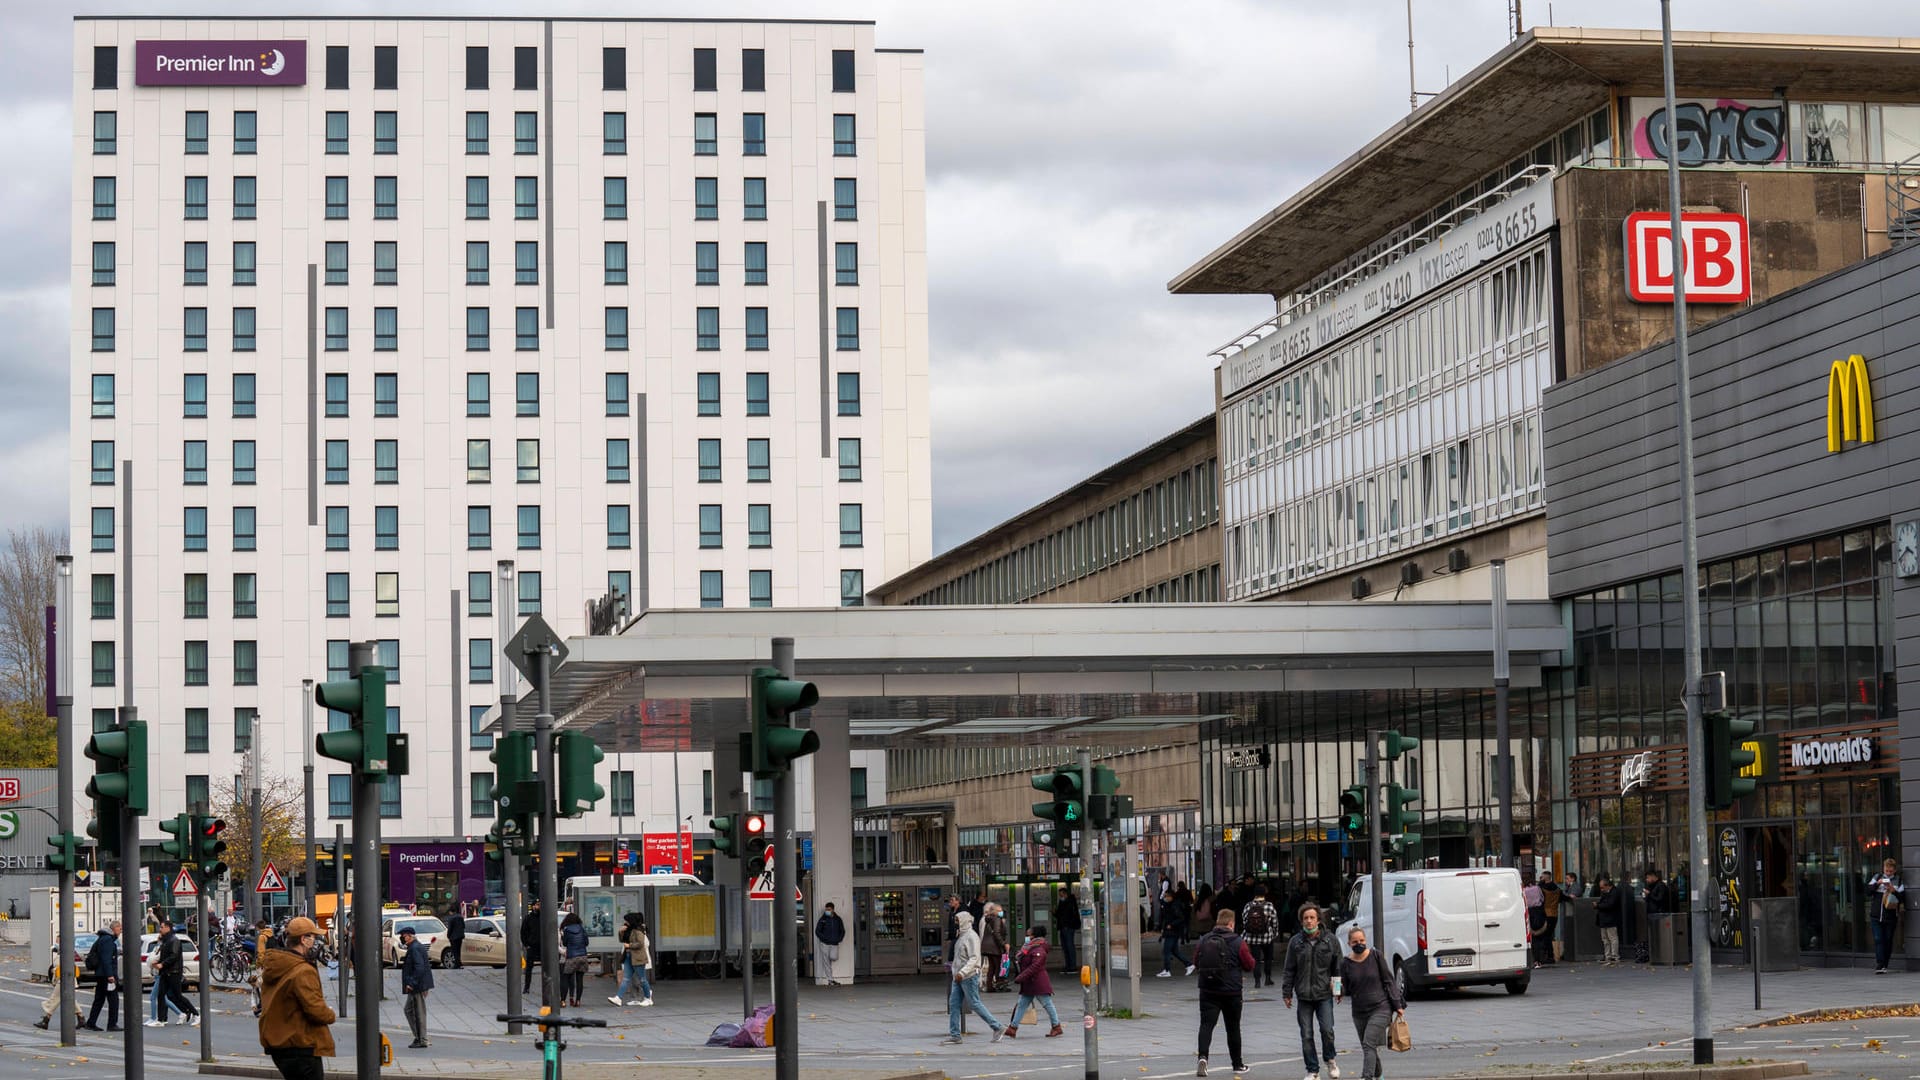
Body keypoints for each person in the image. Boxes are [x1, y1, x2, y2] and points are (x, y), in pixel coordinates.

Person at [259, 916, 336, 1080]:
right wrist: (330, 1014)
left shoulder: (279, 965)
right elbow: (315, 1009)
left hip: (280, 1044)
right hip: (301, 1045)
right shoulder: (302, 970)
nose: (315, 942)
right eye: (313, 937)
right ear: (303, 939)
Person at [1336, 925, 1405, 1080]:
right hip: (1359, 1012)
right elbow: (1344, 987)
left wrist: (1397, 1005)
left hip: (1381, 1008)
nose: (1359, 943)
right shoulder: (1345, 963)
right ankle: (1379, 1075)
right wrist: (1337, 990)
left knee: (1368, 1044)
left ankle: (1366, 1077)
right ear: (1349, 944)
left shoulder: (1376, 956)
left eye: (1361, 940)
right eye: (1355, 942)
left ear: (1366, 940)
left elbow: (1388, 981)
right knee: (1368, 1046)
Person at [1283, 902, 1342, 1080]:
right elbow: (1289, 969)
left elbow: (1337, 967)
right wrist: (1287, 993)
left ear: (1318, 920)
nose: (1309, 921)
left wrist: (1338, 990)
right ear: (1301, 921)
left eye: (1312, 918)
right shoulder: (1296, 942)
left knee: (1327, 1030)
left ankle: (1330, 1060)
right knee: (1306, 1034)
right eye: (1306, 918)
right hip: (1304, 995)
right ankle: (1312, 1070)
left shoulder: (1330, 940)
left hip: (1324, 994)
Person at [1193, 908, 1256, 1077]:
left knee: (1206, 1025)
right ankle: (1237, 1064)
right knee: (1233, 1028)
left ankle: (1203, 1057)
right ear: (1231, 923)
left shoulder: (1205, 939)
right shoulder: (1238, 941)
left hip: (1208, 990)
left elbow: (1196, 961)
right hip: (1231, 992)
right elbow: (1249, 965)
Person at [942, 910, 1006, 1045]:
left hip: (968, 976)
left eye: (958, 921)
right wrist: (956, 973)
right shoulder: (961, 936)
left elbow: (974, 958)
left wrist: (962, 973)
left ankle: (997, 1026)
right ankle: (955, 1035)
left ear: (964, 921)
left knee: (975, 1003)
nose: (956, 924)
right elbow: (959, 958)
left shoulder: (971, 937)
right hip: (958, 977)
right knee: (954, 1004)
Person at [1004, 923, 1064, 1038]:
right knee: (1022, 1004)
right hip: (1029, 982)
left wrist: (1021, 977)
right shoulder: (1030, 947)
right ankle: (1012, 1028)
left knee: (1047, 1003)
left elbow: (1035, 966)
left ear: (1034, 936)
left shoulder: (1039, 949)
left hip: (1037, 982)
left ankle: (1056, 1026)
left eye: (1028, 934)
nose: (1026, 936)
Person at [149, 923, 198, 1027]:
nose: (160, 929)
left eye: (162, 927)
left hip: (174, 972)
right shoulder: (166, 940)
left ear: (168, 928)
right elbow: (161, 954)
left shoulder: (174, 940)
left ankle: (196, 1014)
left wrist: (162, 964)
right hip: (165, 972)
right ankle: (161, 1020)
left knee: (177, 995)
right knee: (161, 995)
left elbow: (174, 956)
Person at [37, 940, 86, 1030]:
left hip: (63, 981)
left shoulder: (61, 957)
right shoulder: (67, 955)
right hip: (68, 980)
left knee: (54, 999)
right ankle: (81, 1018)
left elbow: (59, 970)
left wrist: (54, 974)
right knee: (70, 1000)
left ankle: (45, 1020)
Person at [398, 925, 434, 1048]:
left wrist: (411, 983)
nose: (402, 939)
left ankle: (421, 1038)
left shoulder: (415, 948)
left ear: (409, 936)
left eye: (403, 936)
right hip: (417, 984)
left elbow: (419, 967)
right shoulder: (414, 947)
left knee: (418, 1012)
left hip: (417, 986)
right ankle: (419, 1037)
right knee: (409, 1010)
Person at [83, 920, 122, 1031]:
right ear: (114, 928)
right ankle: (112, 1024)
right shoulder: (108, 940)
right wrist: (110, 975)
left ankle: (91, 1022)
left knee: (99, 999)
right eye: (119, 928)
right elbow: (106, 959)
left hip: (101, 974)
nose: (120, 931)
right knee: (113, 1000)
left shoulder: (103, 938)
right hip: (106, 975)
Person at [610, 912, 653, 1006]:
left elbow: (641, 943)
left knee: (642, 979)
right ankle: (618, 998)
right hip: (628, 957)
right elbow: (622, 940)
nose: (625, 922)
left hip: (638, 958)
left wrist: (630, 945)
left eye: (627, 921)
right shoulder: (629, 930)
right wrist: (620, 932)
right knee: (626, 978)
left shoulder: (638, 931)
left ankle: (648, 998)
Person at [1870, 857, 1906, 973]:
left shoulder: (1898, 881)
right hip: (1876, 916)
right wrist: (1877, 884)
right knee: (1878, 939)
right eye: (1886, 870)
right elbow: (1867, 891)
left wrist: (1893, 890)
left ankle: (1885, 963)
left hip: (1890, 917)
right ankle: (1880, 964)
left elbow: (1903, 898)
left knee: (1888, 939)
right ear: (1883, 869)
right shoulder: (1877, 877)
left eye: (1890, 871)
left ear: (1894, 870)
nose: (1888, 873)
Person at [1240, 885, 1280, 988]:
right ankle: (1267, 978)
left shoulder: (1248, 906)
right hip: (1267, 937)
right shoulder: (1269, 905)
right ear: (1264, 894)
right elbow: (1275, 922)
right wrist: (1274, 933)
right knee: (1268, 958)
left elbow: (1244, 921)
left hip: (1252, 938)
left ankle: (1257, 981)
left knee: (1255, 959)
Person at [1160, 882, 1193, 977]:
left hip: (1172, 931)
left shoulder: (1174, 906)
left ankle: (1167, 970)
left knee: (1166, 950)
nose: (1165, 898)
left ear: (1171, 897)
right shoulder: (1170, 905)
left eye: (1167, 896)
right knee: (1175, 951)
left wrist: (1171, 925)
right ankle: (1189, 964)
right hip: (1172, 931)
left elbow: (1179, 918)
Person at [560, 911, 590, 1007]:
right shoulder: (582, 929)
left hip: (572, 957)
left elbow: (564, 943)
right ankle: (578, 1001)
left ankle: (563, 1001)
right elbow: (586, 942)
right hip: (582, 956)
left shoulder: (567, 930)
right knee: (579, 979)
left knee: (565, 978)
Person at [814, 901, 846, 986]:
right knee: (826, 962)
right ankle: (830, 980)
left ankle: (830, 979)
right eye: (826, 909)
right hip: (824, 943)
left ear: (833, 910)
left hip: (834, 943)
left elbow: (842, 930)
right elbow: (817, 931)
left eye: (829, 909)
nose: (827, 911)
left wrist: (839, 939)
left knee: (833, 957)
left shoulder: (838, 919)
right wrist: (824, 938)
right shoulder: (823, 919)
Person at [980, 902, 1010, 993]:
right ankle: (999, 985)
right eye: (999, 911)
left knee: (992, 967)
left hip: (987, 947)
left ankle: (989, 986)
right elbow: (997, 933)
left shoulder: (988, 919)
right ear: (994, 911)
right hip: (994, 946)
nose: (1001, 912)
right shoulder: (996, 919)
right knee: (998, 966)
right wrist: (1004, 944)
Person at [1535, 872, 1561, 966]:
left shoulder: (1542, 889)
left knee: (1544, 936)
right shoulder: (1557, 888)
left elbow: (1539, 899)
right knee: (1549, 935)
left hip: (1545, 914)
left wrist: (1541, 882)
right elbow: (1562, 898)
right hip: (1554, 914)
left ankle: (1548, 956)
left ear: (1544, 878)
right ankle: (1550, 955)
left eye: (1541, 877)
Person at [520, 899, 544, 998]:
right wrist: (526, 945)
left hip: (543, 946)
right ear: (533, 906)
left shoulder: (544, 917)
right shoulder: (528, 918)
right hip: (532, 946)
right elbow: (523, 932)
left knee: (546, 967)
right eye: (537, 905)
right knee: (529, 967)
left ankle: (546, 986)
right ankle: (526, 987)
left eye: (540, 905)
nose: (538, 907)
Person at [1055, 888, 1080, 974]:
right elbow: (1060, 914)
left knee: (1069, 946)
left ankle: (1072, 967)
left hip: (1068, 927)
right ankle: (1068, 966)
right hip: (1063, 927)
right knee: (1065, 947)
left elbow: (1066, 914)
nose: (1060, 896)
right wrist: (1054, 913)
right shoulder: (1063, 902)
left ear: (1065, 894)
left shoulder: (1070, 902)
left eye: (1061, 894)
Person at [443, 905, 465, 970]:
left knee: (454, 951)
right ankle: (459, 963)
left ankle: (457, 964)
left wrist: (448, 936)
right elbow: (463, 926)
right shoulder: (461, 917)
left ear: (450, 912)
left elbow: (450, 929)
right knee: (458, 950)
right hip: (460, 936)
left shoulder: (451, 918)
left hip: (453, 937)